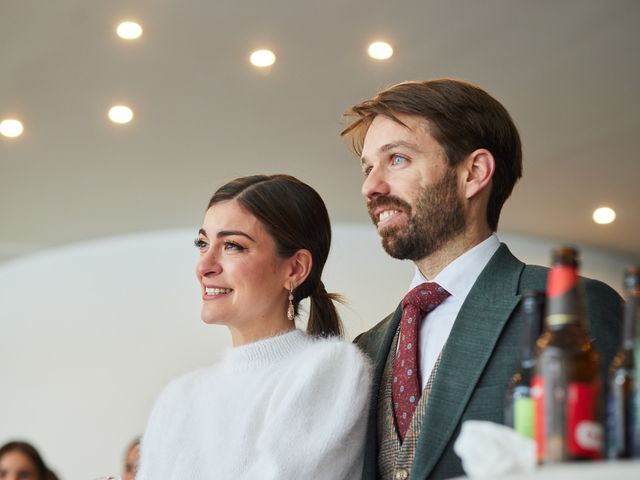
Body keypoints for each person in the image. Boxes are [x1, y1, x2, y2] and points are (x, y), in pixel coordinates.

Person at [340, 78, 622, 480]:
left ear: (473, 173)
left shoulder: (574, 307)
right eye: (368, 168)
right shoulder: (366, 348)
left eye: (397, 159)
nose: (370, 186)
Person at [137, 174, 372, 479]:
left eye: (232, 246)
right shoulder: (178, 396)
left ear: (295, 268)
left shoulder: (328, 370)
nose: (204, 266)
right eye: (202, 243)